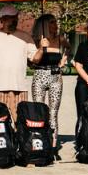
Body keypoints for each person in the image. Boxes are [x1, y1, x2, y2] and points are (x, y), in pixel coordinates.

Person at [0, 5, 44, 121]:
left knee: (20, 122)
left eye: (15, 18)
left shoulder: (25, 37)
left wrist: (42, 48)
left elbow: (35, 59)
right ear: (2, 20)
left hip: (20, 87)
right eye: (10, 18)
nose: (13, 20)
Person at [31, 14, 70, 148]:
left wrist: (63, 60)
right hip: (39, 75)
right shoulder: (36, 40)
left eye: (55, 22)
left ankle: (53, 145)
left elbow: (68, 48)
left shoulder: (60, 39)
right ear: (44, 25)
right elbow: (34, 60)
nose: (55, 25)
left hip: (56, 77)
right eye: (52, 22)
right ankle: (40, 141)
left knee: (53, 113)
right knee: (39, 111)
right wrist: (41, 48)